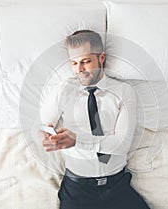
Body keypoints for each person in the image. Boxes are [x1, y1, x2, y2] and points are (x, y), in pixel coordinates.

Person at [39, 30, 150, 209]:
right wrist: (49, 136)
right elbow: (42, 124)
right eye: (74, 63)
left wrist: (77, 140)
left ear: (102, 58)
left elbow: (121, 144)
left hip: (117, 186)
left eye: (86, 61)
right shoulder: (65, 89)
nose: (79, 69)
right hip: (77, 190)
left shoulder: (123, 91)